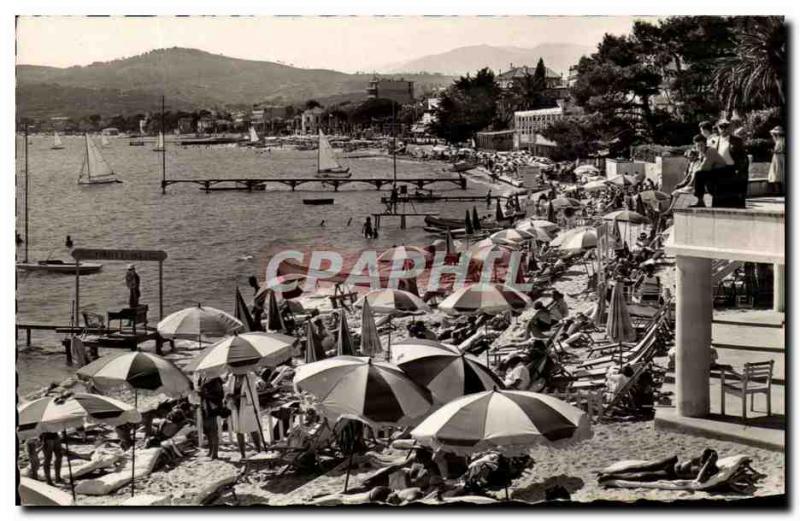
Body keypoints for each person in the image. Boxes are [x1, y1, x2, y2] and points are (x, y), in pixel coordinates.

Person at [224, 371, 264, 459]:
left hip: (247, 405)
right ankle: (242, 454)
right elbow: (226, 389)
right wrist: (228, 395)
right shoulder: (231, 377)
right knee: (238, 430)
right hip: (235, 405)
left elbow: (258, 385)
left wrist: (259, 384)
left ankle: (259, 450)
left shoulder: (250, 376)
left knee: (253, 429)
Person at [688, 134, 728, 208]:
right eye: (698, 146)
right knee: (699, 175)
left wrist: (692, 180)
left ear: (705, 144)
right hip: (714, 172)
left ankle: (700, 201)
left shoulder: (710, 151)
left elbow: (704, 168)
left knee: (699, 174)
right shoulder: (701, 153)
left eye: (701, 145)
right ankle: (700, 200)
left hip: (723, 172)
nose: (700, 147)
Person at [199, 376, 225, 460]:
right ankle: (211, 451)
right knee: (207, 431)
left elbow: (220, 396)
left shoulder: (216, 379)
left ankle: (215, 453)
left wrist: (206, 395)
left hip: (212, 408)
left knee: (213, 431)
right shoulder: (203, 378)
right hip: (205, 407)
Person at [767, 126, 785, 195]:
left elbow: (780, 150)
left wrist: (775, 151)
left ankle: (779, 191)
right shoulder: (778, 140)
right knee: (776, 173)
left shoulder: (782, 140)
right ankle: (778, 190)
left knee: (777, 173)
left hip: (779, 157)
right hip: (777, 157)